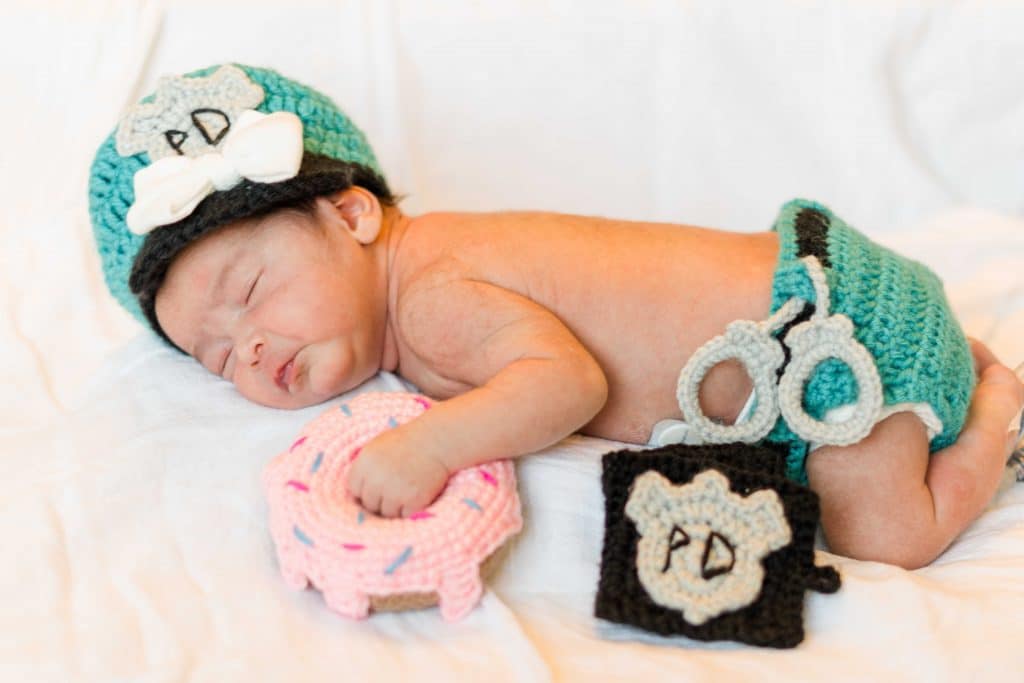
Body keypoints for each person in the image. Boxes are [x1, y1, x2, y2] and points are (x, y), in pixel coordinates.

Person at [90, 63, 1024, 570]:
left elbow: (565, 382)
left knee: (891, 538)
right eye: (214, 357)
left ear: (351, 213)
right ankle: (953, 384)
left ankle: (994, 410)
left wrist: (431, 447)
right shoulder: (413, 301)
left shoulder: (432, 291)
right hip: (809, 336)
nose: (246, 347)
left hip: (831, 337)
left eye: (248, 292)